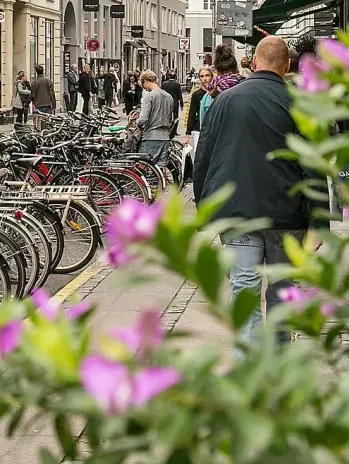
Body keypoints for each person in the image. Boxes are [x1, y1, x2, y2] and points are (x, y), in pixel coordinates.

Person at [192, 36, 313, 357]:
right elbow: (312, 165)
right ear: (287, 66)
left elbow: (203, 157)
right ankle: (279, 367)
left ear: (255, 62)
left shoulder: (224, 101)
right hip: (287, 215)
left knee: (243, 292)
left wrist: (205, 208)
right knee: (281, 296)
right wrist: (321, 219)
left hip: (238, 212)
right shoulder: (298, 102)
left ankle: (246, 369)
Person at [129, 70, 176, 163]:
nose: (145, 89)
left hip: (151, 136)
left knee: (143, 166)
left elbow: (143, 119)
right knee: (160, 169)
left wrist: (136, 122)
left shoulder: (149, 96)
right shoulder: (169, 96)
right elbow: (171, 116)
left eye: (144, 86)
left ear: (145, 81)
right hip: (165, 137)